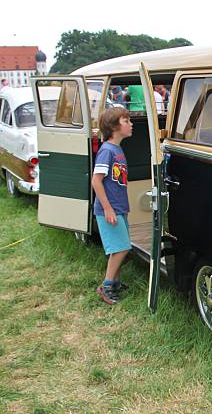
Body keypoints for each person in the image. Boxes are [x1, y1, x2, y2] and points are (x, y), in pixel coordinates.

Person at [91, 107, 133, 305]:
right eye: (126, 121)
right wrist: (107, 208)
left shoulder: (118, 149)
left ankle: (115, 282)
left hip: (119, 207)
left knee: (119, 246)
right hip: (109, 209)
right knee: (122, 248)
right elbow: (96, 181)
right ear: (114, 126)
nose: (131, 124)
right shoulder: (106, 151)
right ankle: (106, 286)